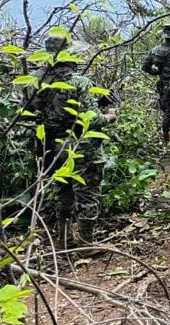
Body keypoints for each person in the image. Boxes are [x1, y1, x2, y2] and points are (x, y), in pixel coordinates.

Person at [24, 35, 117, 245]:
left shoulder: (34, 81)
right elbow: (92, 121)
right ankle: (86, 244)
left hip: (49, 145)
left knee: (62, 191)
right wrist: (110, 115)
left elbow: (27, 112)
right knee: (87, 193)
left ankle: (64, 239)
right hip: (79, 146)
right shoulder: (79, 83)